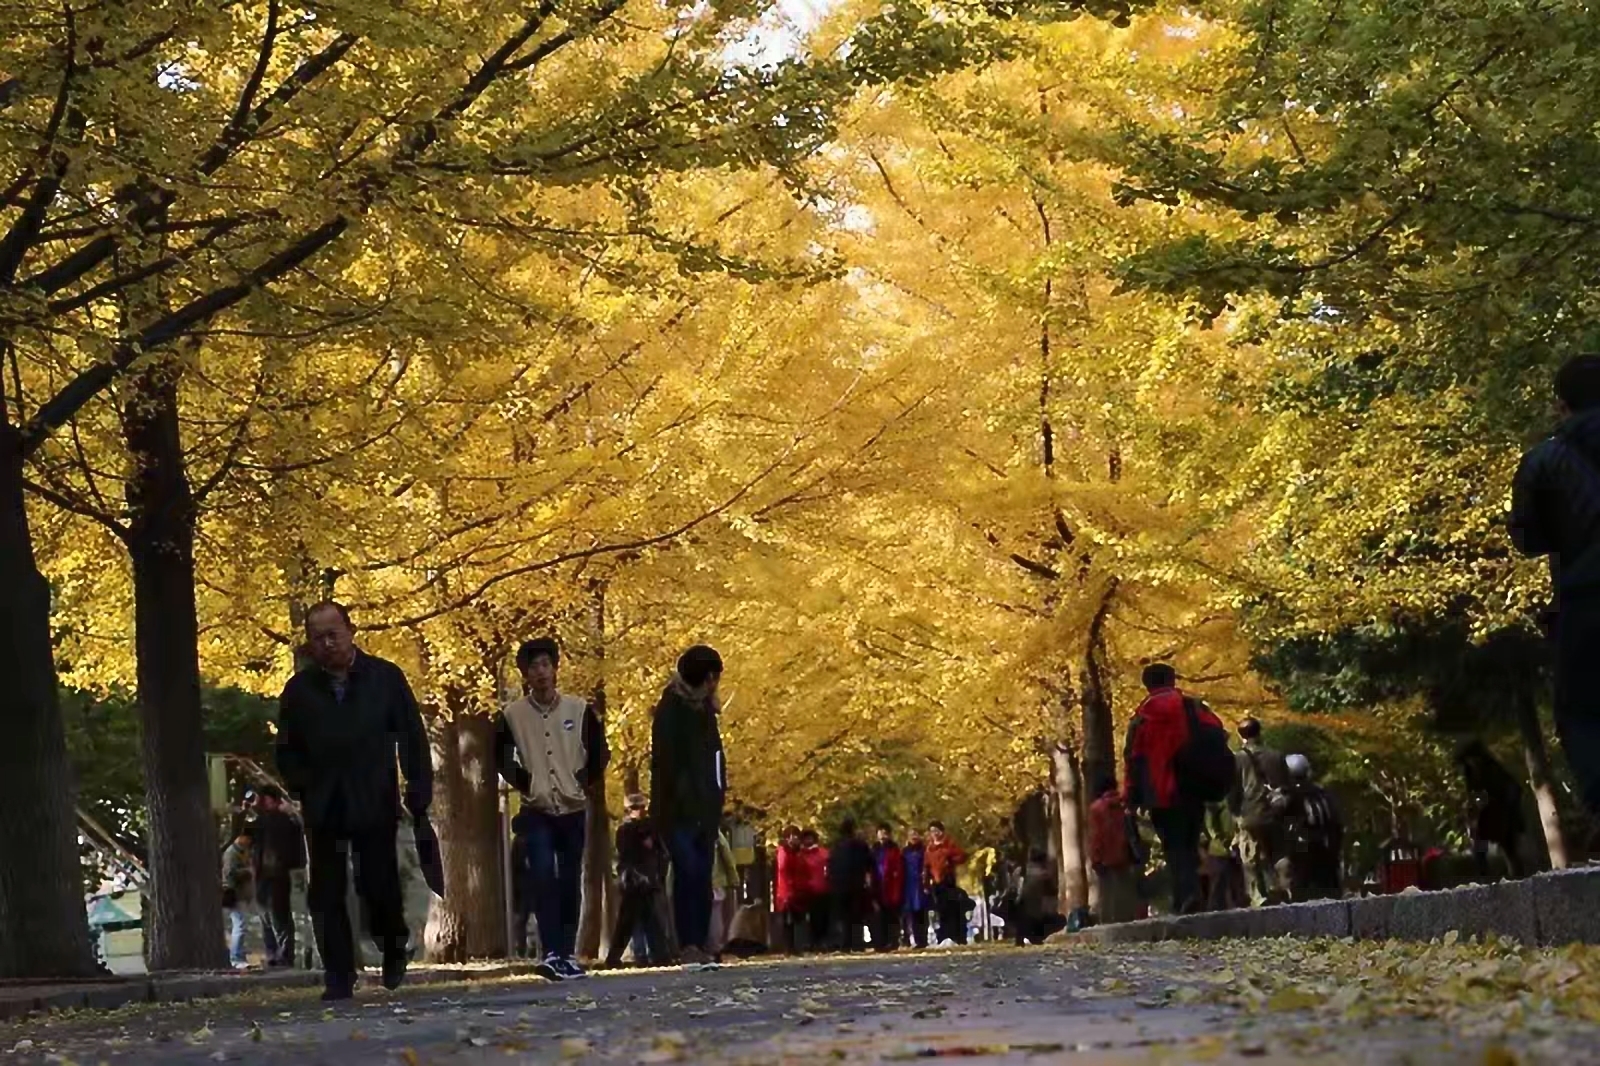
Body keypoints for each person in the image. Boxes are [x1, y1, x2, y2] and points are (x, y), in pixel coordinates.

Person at [276, 601, 431, 1001]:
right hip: (323, 802)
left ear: (350, 630)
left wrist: (417, 787)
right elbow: (286, 748)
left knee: (377, 883)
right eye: (317, 638)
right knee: (326, 890)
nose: (326, 644)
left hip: (374, 797)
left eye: (333, 634)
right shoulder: (299, 690)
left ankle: (394, 944)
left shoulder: (385, 678)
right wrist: (301, 785)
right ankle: (338, 974)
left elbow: (412, 735)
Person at [1510, 353, 1600, 822]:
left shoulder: (1545, 459)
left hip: (1586, 596)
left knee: (1582, 708)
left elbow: (1526, 537)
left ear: (1562, 404)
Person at [494, 637, 610, 982]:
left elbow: (600, 753)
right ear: (525, 675)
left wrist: (581, 781)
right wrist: (525, 782)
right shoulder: (512, 716)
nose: (541, 672)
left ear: (556, 668)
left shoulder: (579, 709)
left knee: (569, 877)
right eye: (533, 667)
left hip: (573, 806)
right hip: (536, 808)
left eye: (546, 664)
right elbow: (499, 757)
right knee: (542, 875)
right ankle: (552, 951)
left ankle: (569, 953)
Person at [1123, 662, 1221, 915]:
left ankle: (1185, 896)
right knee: (1191, 839)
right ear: (1173, 680)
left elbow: (1132, 758)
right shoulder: (1194, 707)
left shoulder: (1142, 717)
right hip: (1193, 786)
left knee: (1174, 845)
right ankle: (1193, 894)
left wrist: (1132, 796)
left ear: (1147, 684)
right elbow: (1217, 733)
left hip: (1160, 792)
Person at [651, 645, 728, 966]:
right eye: (715, 677)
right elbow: (663, 766)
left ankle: (700, 943)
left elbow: (715, 760)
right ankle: (689, 944)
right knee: (688, 873)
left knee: (701, 877)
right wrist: (661, 815)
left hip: (705, 808)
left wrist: (718, 795)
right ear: (707, 678)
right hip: (678, 811)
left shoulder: (706, 712)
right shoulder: (671, 710)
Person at [1227, 718, 1290, 906]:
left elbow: (1233, 790)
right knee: (1279, 852)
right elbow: (1286, 786)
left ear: (1241, 735)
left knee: (1250, 856)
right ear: (1260, 732)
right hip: (1275, 812)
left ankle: (1258, 896)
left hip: (1249, 813)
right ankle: (1285, 889)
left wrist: (1235, 814)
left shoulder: (1237, 759)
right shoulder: (1276, 756)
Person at [606, 793, 668, 968]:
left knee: (650, 919)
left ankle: (660, 955)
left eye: (641, 807)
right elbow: (626, 855)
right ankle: (657, 955)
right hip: (633, 880)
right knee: (630, 921)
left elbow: (662, 853)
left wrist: (657, 874)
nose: (639, 811)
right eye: (635, 808)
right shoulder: (625, 830)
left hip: (647, 879)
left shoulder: (651, 828)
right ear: (628, 810)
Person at [1457, 741, 1530, 880]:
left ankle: (1517, 874)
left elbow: (1511, 791)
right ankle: (1484, 874)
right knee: (1481, 842)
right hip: (1489, 811)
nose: (1472, 763)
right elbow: (1474, 795)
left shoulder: (1493, 771)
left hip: (1503, 810)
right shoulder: (1471, 773)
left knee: (1508, 844)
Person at [251, 786, 305, 967]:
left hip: (277, 873)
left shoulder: (285, 821)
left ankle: (283, 955)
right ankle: (274, 953)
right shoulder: (262, 820)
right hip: (264, 873)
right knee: (266, 915)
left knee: (278, 915)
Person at [1281, 755, 1343, 901]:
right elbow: (1336, 822)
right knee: (1330, 892)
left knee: (1301, 893)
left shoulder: (1289, 795)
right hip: (1326, 847)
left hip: (1303, 850)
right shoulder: (1322, 793)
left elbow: (1280, 821)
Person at [1087, 778, 1139, 925]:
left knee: (1106, 893)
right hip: (1125, 853)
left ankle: (1108, 923)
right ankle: (1127, 921)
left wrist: (1095, 857)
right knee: (1125, 891)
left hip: (1105, 857)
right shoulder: (1124, 805)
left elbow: (1097, 835)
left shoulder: (1096, 808)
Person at [827, 819, 878, 952]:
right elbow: (871, 863)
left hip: (839, 886)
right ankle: (857, 943)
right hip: (856, 885)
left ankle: (844, 943)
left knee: (843, 917)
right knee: (857, 916)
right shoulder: (860, 845)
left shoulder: (835, 847)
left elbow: (830, 866)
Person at [924, 821, 968, 945]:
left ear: (942, 832)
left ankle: (955, 936)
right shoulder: (929, 848)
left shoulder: (949, 844)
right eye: (932, 831)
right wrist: (926, 882)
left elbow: (962, 856)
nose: (935, 834)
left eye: (937, 831)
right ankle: (943, 936)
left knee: (951, 908)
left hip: (948, 879)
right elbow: (926, 866)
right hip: (936, 881)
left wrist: (950, 861)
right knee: (940, 910)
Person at [1010, 849, 1063, 945]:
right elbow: (1052, 891)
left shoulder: (1021, 870)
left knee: (1023, 919)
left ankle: (1021, 939)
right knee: (1054, 920)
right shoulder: (1045, 874)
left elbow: (1013, 886)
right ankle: (1035, 938)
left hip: (1021, 904)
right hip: (1037, 907)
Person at [221, 826, 256, 969]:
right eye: (248, 839)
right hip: (233, 894)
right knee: (240, 925)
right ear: (242, 837)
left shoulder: (242, 852)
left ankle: (238, 956)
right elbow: (230, 874)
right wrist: (248, 871)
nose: (249, 842)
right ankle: (236, 957)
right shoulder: (232, 853)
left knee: (240, 925)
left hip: (240, 894)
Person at [872, 824, 905, 951]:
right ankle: (881, 942)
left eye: (885, 833)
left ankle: (893, 941)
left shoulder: (894, 849)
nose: (882, 836)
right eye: (880, 833)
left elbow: (898, 869)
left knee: (892, 915)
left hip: (891, 886)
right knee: (879, 916)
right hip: (877, 885)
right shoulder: (874, 850)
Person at [797, 828, 831, 951]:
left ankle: (821, 942)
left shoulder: (823, 853)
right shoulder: (800, 855)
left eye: (810, 838)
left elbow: (829, 868)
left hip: (822, 889)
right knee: (809, 919)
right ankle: (811, 942)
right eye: (806, 838)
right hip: (806, 890)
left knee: (822, 918)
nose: (808, 840)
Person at [774, 825, 806, 954]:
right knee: (788, 919)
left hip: (798, 888)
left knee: (796, 919)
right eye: (792, 836)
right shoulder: (784, 851)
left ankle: (795, 946)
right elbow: (782, 868)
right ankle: (788, 947)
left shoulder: (798, 852)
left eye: (797, 836)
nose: (795, 839)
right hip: (786, 889)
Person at [709, 827, 741, 954]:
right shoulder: (715, 833)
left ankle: (702, 946)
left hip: (695, 881)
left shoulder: (685, 832)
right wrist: (733, 878)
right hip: (715, 880)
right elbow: (727, 856)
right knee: (715, 915)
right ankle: (715, 947)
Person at [901, 828, 930, 948]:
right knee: (910, 913)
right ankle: (912, 939)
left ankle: (923, 939)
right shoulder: (904, 852)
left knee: (922, 912)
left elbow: (927, 866)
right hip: (908, 884)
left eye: (916, 834)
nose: (914, 837)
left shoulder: (924, 850)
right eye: (911, 834)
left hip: (921, 884)